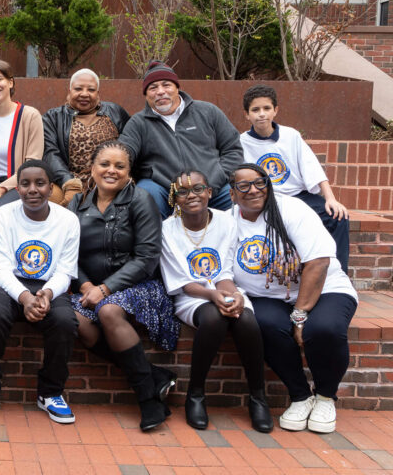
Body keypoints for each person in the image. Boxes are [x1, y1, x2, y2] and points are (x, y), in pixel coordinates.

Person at [229, 163, 358, 434]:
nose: (253, 190)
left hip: (325, 287)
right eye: (243, 186)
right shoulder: (228, 220)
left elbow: (319, 262)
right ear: (232, 194)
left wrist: (299, 317)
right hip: (268, 295)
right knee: (263, 325)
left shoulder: (291, 209)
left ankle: (325, 396)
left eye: (260, 183)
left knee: (324, 329)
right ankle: (300, 395)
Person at [68, 141, 179, 431]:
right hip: (88, 286)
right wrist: (85, 285)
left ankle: (147, 400)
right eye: (105, 164)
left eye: (120, 166)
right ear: (91, 169)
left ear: (129, 172)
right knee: (76, 320)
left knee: (108, 311)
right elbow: (66, 255)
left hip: (138, 285)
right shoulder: (76, 205)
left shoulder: (140, 200)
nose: (111, 171)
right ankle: (154, 375)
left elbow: (147, 257)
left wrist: (104, 289)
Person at [0, 160, 81, 425]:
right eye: (25, 184)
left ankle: (50, 393)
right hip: (6, 281)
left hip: (49, 284)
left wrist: (48, 293)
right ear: (16, 188)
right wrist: (24, 297)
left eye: (40, 183)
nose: (33, 189)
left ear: (51, 188)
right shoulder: (4, 215)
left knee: (65, 322)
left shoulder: (68, 220)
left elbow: (66, 270)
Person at [160, 170, 272, 433]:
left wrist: (231, 295)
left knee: (244, 318)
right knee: (213, 318)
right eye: (183, 191)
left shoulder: (226, 221)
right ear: (174, 199)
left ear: (209, 192)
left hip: (226, 288)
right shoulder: (167, 229)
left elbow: (226, 269)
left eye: (198, 189)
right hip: (191, 297)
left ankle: (258, 396)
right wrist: (212, 295)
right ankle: (195, 394)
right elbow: (180, 282)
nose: (192, 195)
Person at [239, 85, 350, 273]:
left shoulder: (291, 136)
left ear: (276, 110)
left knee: (337, 217)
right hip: (269, 200)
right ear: (247, 115)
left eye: (267, 108)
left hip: (299, 196)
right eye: (255, 110)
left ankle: (338, 275)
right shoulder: (242, 142)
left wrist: (331, 199)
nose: (261, 114)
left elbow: (312, 167)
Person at [118, 60, 243, 217]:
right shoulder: (138, 123)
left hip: (212, 188)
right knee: (145, 193)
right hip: (165, 191)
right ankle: (152, 242)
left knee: (240, 200)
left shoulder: (208, 111)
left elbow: (232, 148)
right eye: (153, 88)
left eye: (166, 85)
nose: (160, 91)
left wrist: (217, 178)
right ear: (146, 94)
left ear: (177, 88)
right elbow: (124, 152)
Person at [42, 68, 129, 205]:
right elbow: (50, 153)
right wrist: (68, 182)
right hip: (70, 182)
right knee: (52, 200)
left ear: (98, 94)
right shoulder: (53, 118)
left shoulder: (115, 112)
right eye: (78, 89)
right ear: (70, 91)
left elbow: (128, 145)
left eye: (91, 90)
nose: (84, 94)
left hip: (110, 177)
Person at [0, 59, 43, 210]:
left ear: (10, 83)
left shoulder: (30, 116)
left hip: (20, 184)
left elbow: (32, 164)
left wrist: (1, 189)